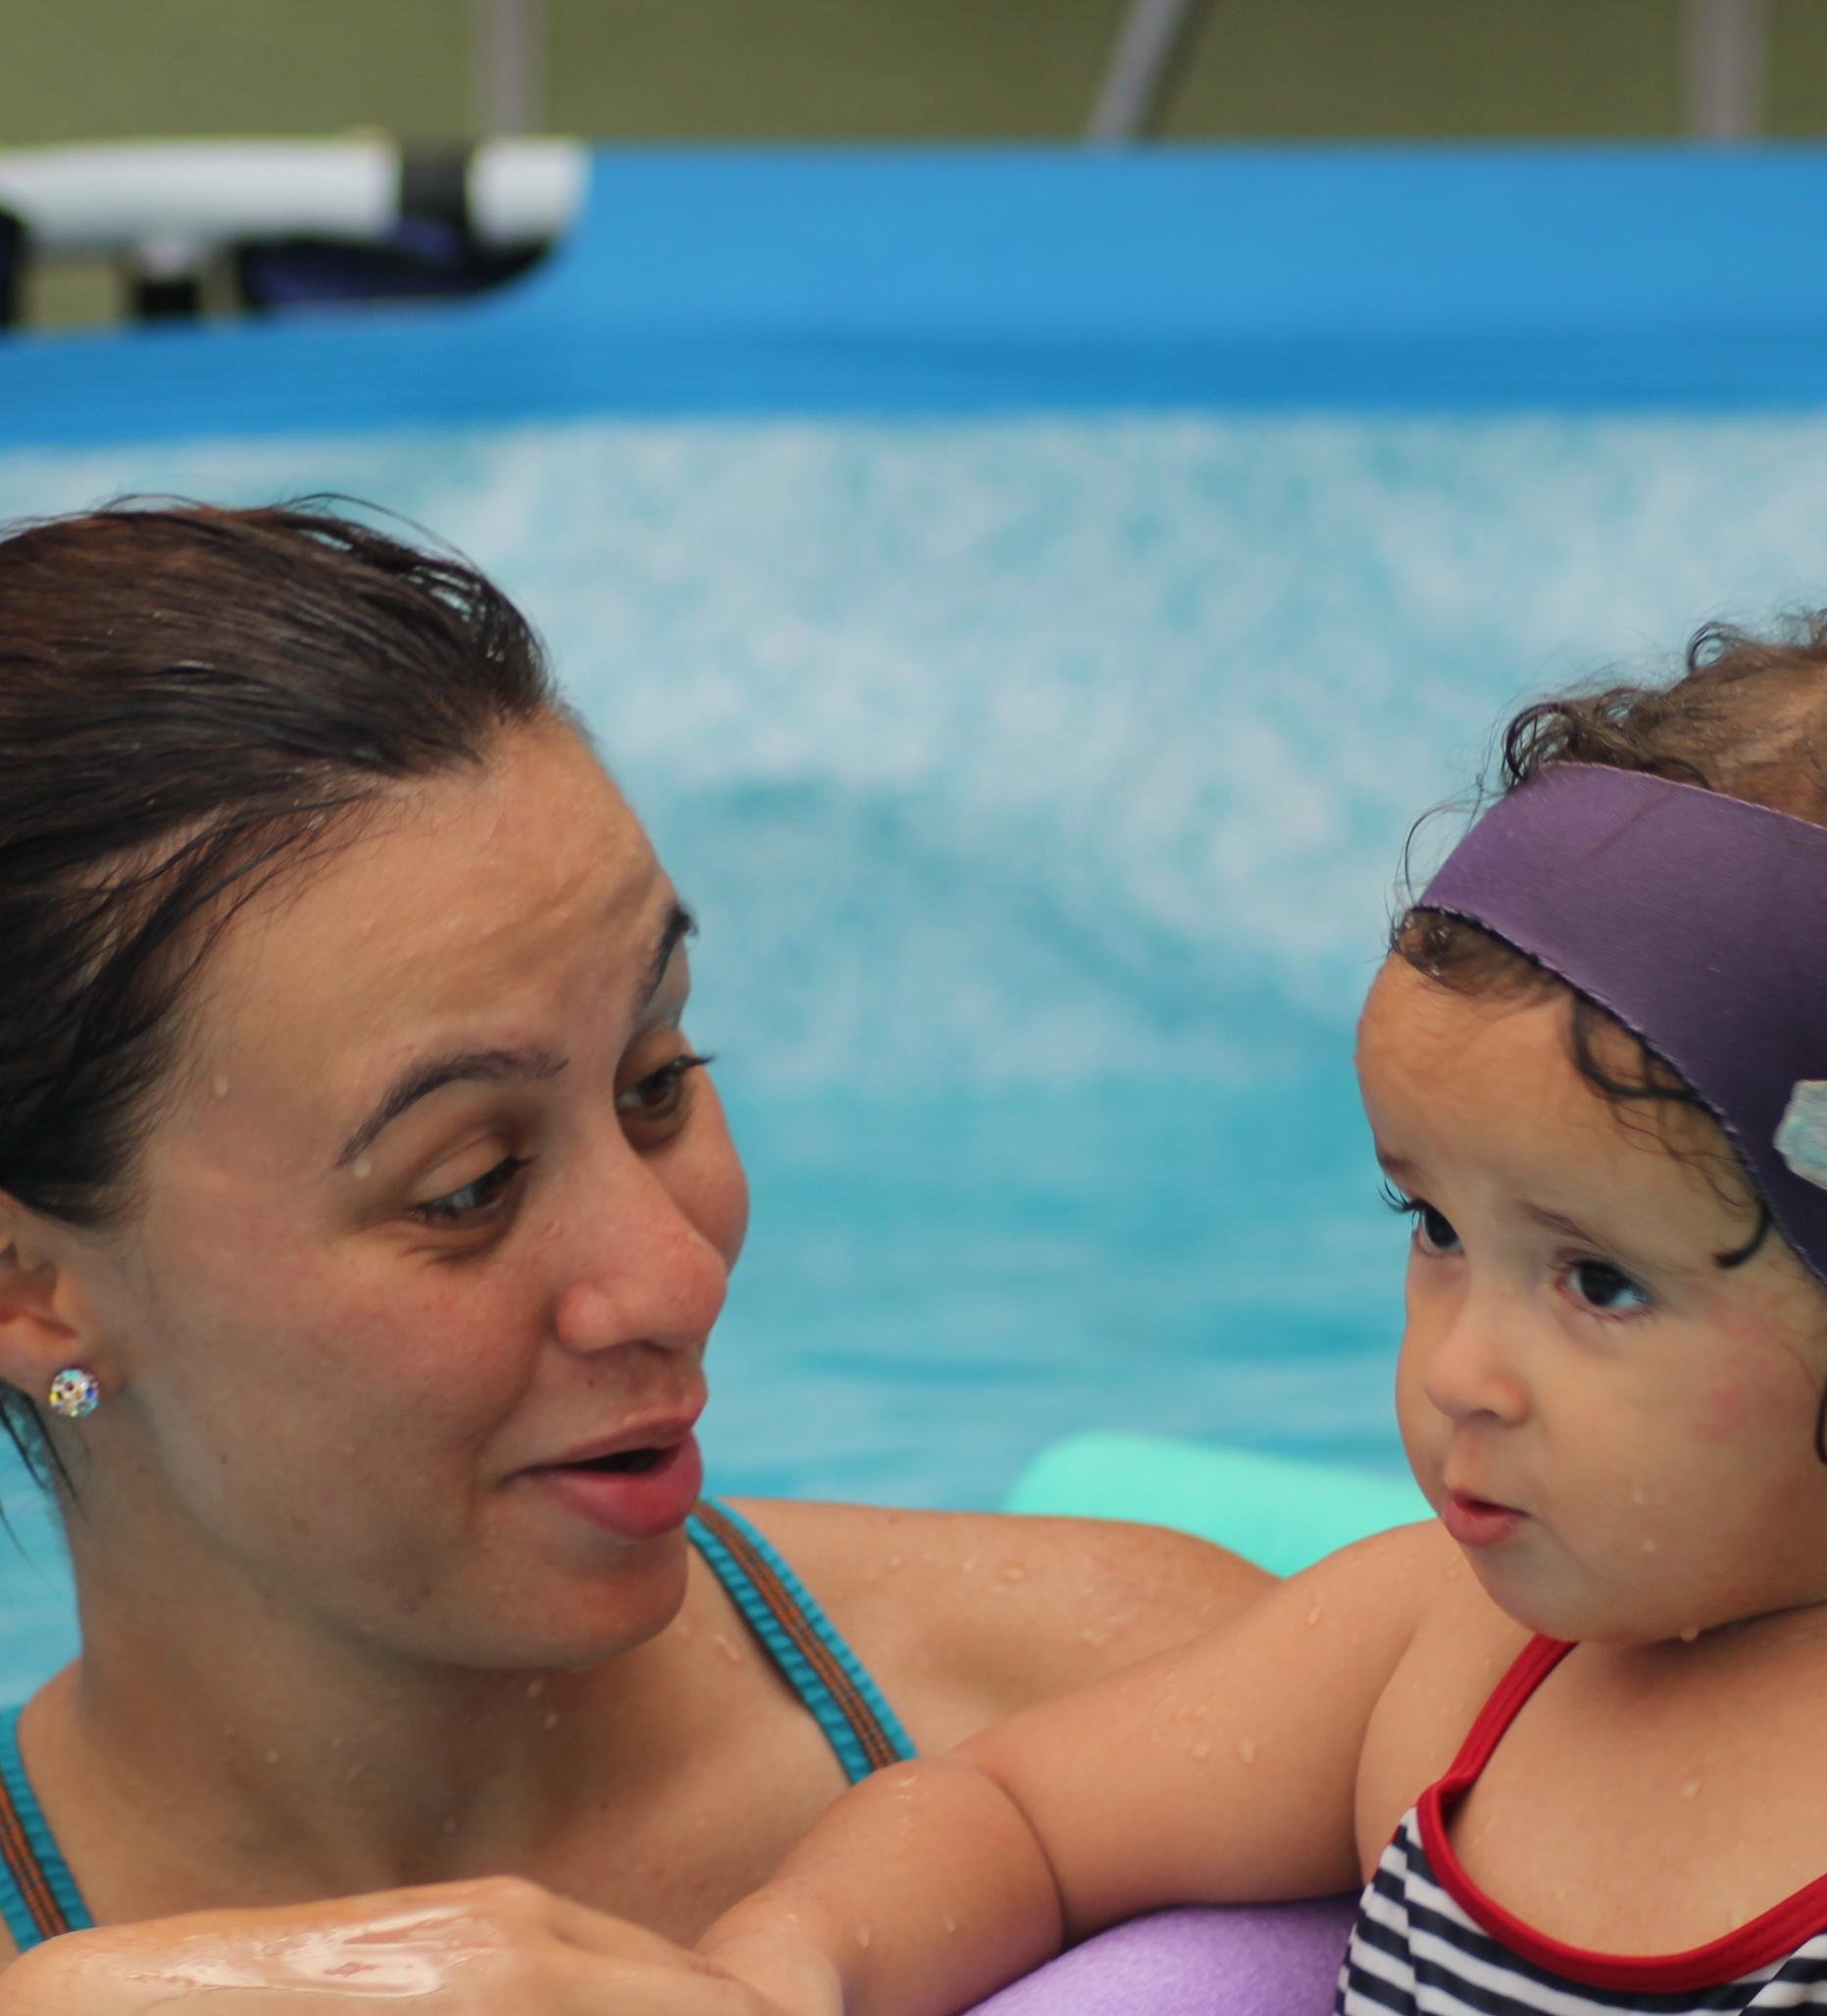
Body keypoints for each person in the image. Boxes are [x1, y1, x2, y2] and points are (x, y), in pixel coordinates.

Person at [0, 500, 1266, 2012]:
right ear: (33, 1293)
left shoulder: (1150, 1709)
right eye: (467, 1188)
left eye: (658, 1081)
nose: (674, 1279)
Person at [650, 619, 1827, 2016]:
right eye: (1434, 1230)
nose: (1461, 1375)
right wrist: (787, 1964)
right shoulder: (1441, 1651)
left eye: (1599, 1282)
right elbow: (1013, 1815)